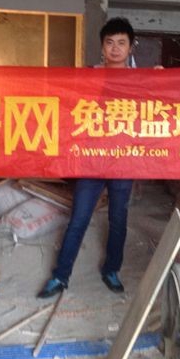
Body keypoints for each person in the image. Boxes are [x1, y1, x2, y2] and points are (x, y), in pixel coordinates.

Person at [38, 17, 138, 298]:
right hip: (91, 160)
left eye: (121, 43)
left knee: (118, 219)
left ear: (130, 47)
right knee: (79, 218)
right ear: (102, 47)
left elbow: (167, 106)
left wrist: (162, 79)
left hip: (123, 161)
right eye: (110, 43)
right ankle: (60, 275)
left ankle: (112, 270)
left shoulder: (142, 81)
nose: (115, 49)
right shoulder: (85, 77)